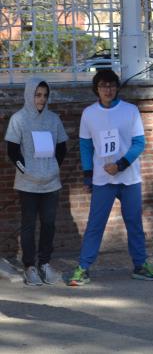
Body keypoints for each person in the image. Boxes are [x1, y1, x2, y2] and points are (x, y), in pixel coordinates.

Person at [67, 69, 153, 286]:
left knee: (134, 223)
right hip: (102, 179)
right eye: (102, 86)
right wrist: (88, 174)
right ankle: (83, 268)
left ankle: (140, 265)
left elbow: (139, 143)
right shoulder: (89, 113)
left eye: (111, 85)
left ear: (117, 87)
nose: (107, 90)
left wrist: (120, 165)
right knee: (95, 224)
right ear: (96, 89)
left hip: (129, 178)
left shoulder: (130, 111)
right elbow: (85, 145)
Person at [4, 77, 68, 286]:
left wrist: (53, 167)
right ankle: (29, 266)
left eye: (44, 95)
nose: (41, 99)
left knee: (49, 224)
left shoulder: (53, 119)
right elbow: (12, 151)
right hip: (27, 183)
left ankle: (44, 264)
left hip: (51, 183)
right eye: (37, 95)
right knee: (28, 225)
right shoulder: (18, 119)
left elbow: (61, 147)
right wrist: (27, 169)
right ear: (29, 95)